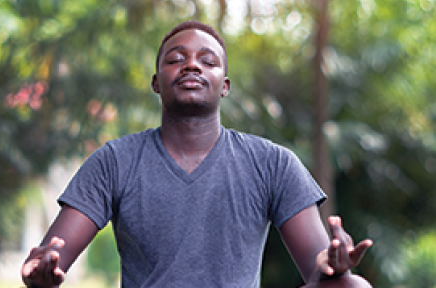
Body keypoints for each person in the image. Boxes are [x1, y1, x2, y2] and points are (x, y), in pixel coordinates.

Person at [21, 21, 374, 288]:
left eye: (208, 61)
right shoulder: (114, 162)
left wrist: (333, 263)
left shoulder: (273, 163)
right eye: (177, 59)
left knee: (352, 286)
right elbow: (54, 256)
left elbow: (318, 269)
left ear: (225, 85)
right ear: (157, 82)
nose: (192, 66)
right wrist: (43, 269)